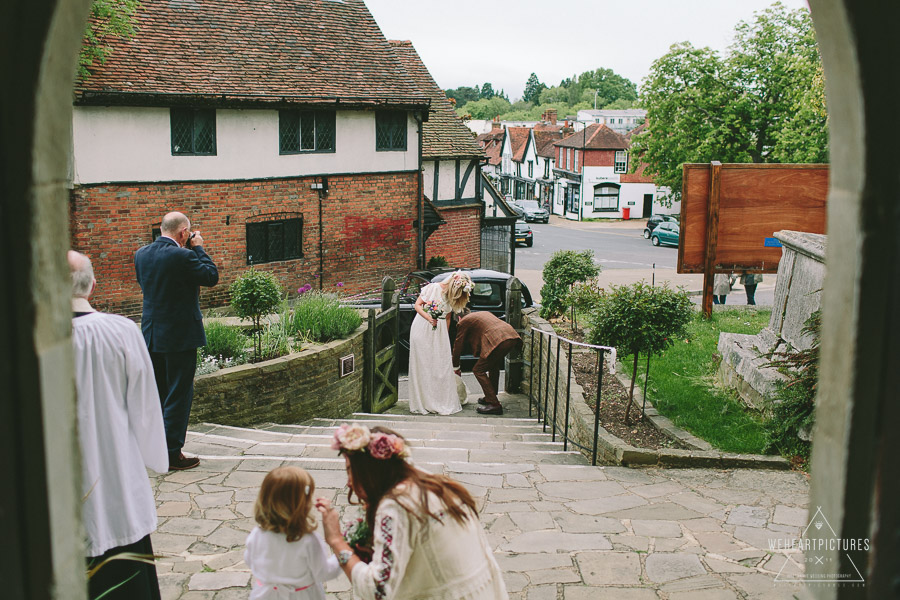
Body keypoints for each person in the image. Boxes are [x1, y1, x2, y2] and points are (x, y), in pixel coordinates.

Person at [69, 251, 168, 600]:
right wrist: (153, 457)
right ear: (93, 286)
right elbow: (145, 406)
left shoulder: (31, 337)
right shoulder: (122, 331)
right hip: (117, 474)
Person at [315, 424, 508, 600]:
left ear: (369, 470)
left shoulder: (395, 506)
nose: (348, 482)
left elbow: (378, 591)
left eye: (350, 470)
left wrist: (337, 542)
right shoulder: (434, 484)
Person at [135, 211, 218, 471]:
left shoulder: (141, 254)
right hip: (180, 335)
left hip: (151, 334)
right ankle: (171, 454)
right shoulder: (184, 255)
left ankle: (153, 448)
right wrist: (199, 247)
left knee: (158, 393)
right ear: (184, 233)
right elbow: (210, 276)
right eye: (189, 234)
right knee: (179, 395)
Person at [244, 467, 342, 600]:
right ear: (302, 504)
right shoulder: (308, 540)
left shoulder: (256, 534)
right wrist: (342, 554)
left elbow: (250, 560)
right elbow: (324, 572)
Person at [407, 271, 473, 415]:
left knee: (440, 364)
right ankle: (424, 401)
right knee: (424, 364)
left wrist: (444, 338)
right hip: (422, 327)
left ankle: (438, 399)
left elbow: (448, 317)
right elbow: (418, 305)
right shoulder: (434, 288)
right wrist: (429, 318)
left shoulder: (452, 297)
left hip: (440, 330)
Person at [452, 311, 522, 415]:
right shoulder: (482, 314)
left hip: (500, 339)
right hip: (511, 335)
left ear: (459, 318)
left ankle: (494, 404)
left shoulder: (464, 322)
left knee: (478, 370)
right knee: (493, 365)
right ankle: (490, 397)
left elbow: (458, 345)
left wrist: (455, 367)